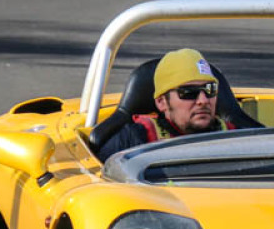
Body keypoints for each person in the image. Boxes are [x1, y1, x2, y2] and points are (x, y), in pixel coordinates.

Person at [96, 48, 237, 160]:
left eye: (210, 90)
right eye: (188, 93)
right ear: (162, 102)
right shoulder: (133, 140)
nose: (203, 100)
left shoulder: (238, 137)